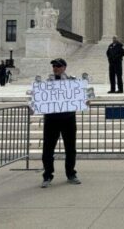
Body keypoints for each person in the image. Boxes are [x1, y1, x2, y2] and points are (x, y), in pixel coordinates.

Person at [41, 58, 81, 188]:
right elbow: (40, 98)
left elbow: (81, 97)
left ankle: (71, 174)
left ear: (64, 67)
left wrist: (85, 100)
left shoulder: (72, 82)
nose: (55, 68)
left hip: (68, 118)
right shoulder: (46, 83)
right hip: (51, 119)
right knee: (48, 149)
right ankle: (47, 175)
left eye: (58, 66)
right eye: (54, 66)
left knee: (70, 148)